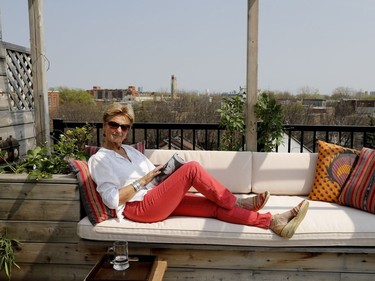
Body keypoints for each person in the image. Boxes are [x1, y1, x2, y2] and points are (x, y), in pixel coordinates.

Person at [88, 103, 309, 239]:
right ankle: (235, 201)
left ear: (128, 130)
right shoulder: (99, 159)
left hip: (154, 197)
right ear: (104, 125)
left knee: (213, 207)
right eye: (113, 124)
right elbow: (112, 199)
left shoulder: (130, 151)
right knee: (193, 168)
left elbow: (152, 178)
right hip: (138, 208)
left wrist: (164, 172)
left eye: (124, 126)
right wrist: (143, 180)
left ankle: (272, 222)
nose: (118, 130)